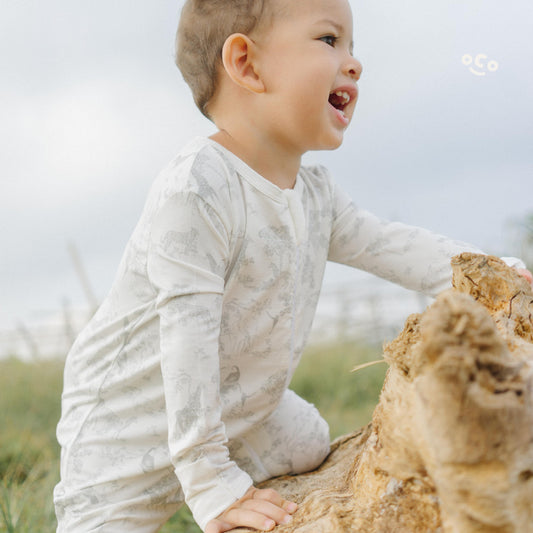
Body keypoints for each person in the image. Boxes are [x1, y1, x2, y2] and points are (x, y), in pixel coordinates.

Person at [53, 0, 532, 531]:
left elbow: (392, 245)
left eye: (352, 46)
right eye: (329, 40)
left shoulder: (315, 194)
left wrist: (490, 270)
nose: (354, 63)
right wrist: (211, 481)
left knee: (308, 442)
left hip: (246, 414)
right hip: (127, 435)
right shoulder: (198, 188)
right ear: (248, 66)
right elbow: (185, 347)